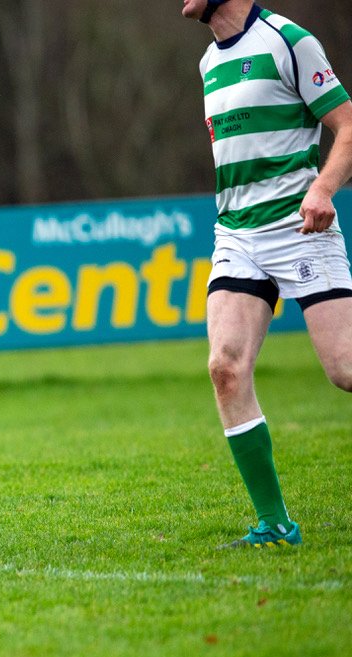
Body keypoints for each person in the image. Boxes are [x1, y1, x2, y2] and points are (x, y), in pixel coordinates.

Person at [183, 0, 352, 547]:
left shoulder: (288, 41)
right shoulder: (209, 61)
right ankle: (275, 525)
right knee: (225, 369)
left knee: (346, 369)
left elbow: (347, 125)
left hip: (298, 227)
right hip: (237, 235)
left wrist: (323, 188)